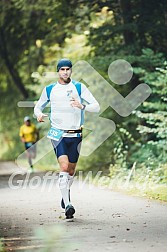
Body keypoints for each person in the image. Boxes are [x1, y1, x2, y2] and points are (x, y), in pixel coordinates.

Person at [34, 58, 100, 219]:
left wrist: (82, 106)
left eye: (68, 69)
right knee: (64, 167)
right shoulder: (50, 90)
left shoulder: (79, 87)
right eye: (62, 69)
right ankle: (68, 205)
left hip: (76, 134)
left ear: (71, 70)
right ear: (58, 71)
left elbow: (96, 106)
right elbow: (38, 106)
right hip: (58, 134)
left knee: (71, 171)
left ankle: (65, 194)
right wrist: (39, 114)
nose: (65, 72)